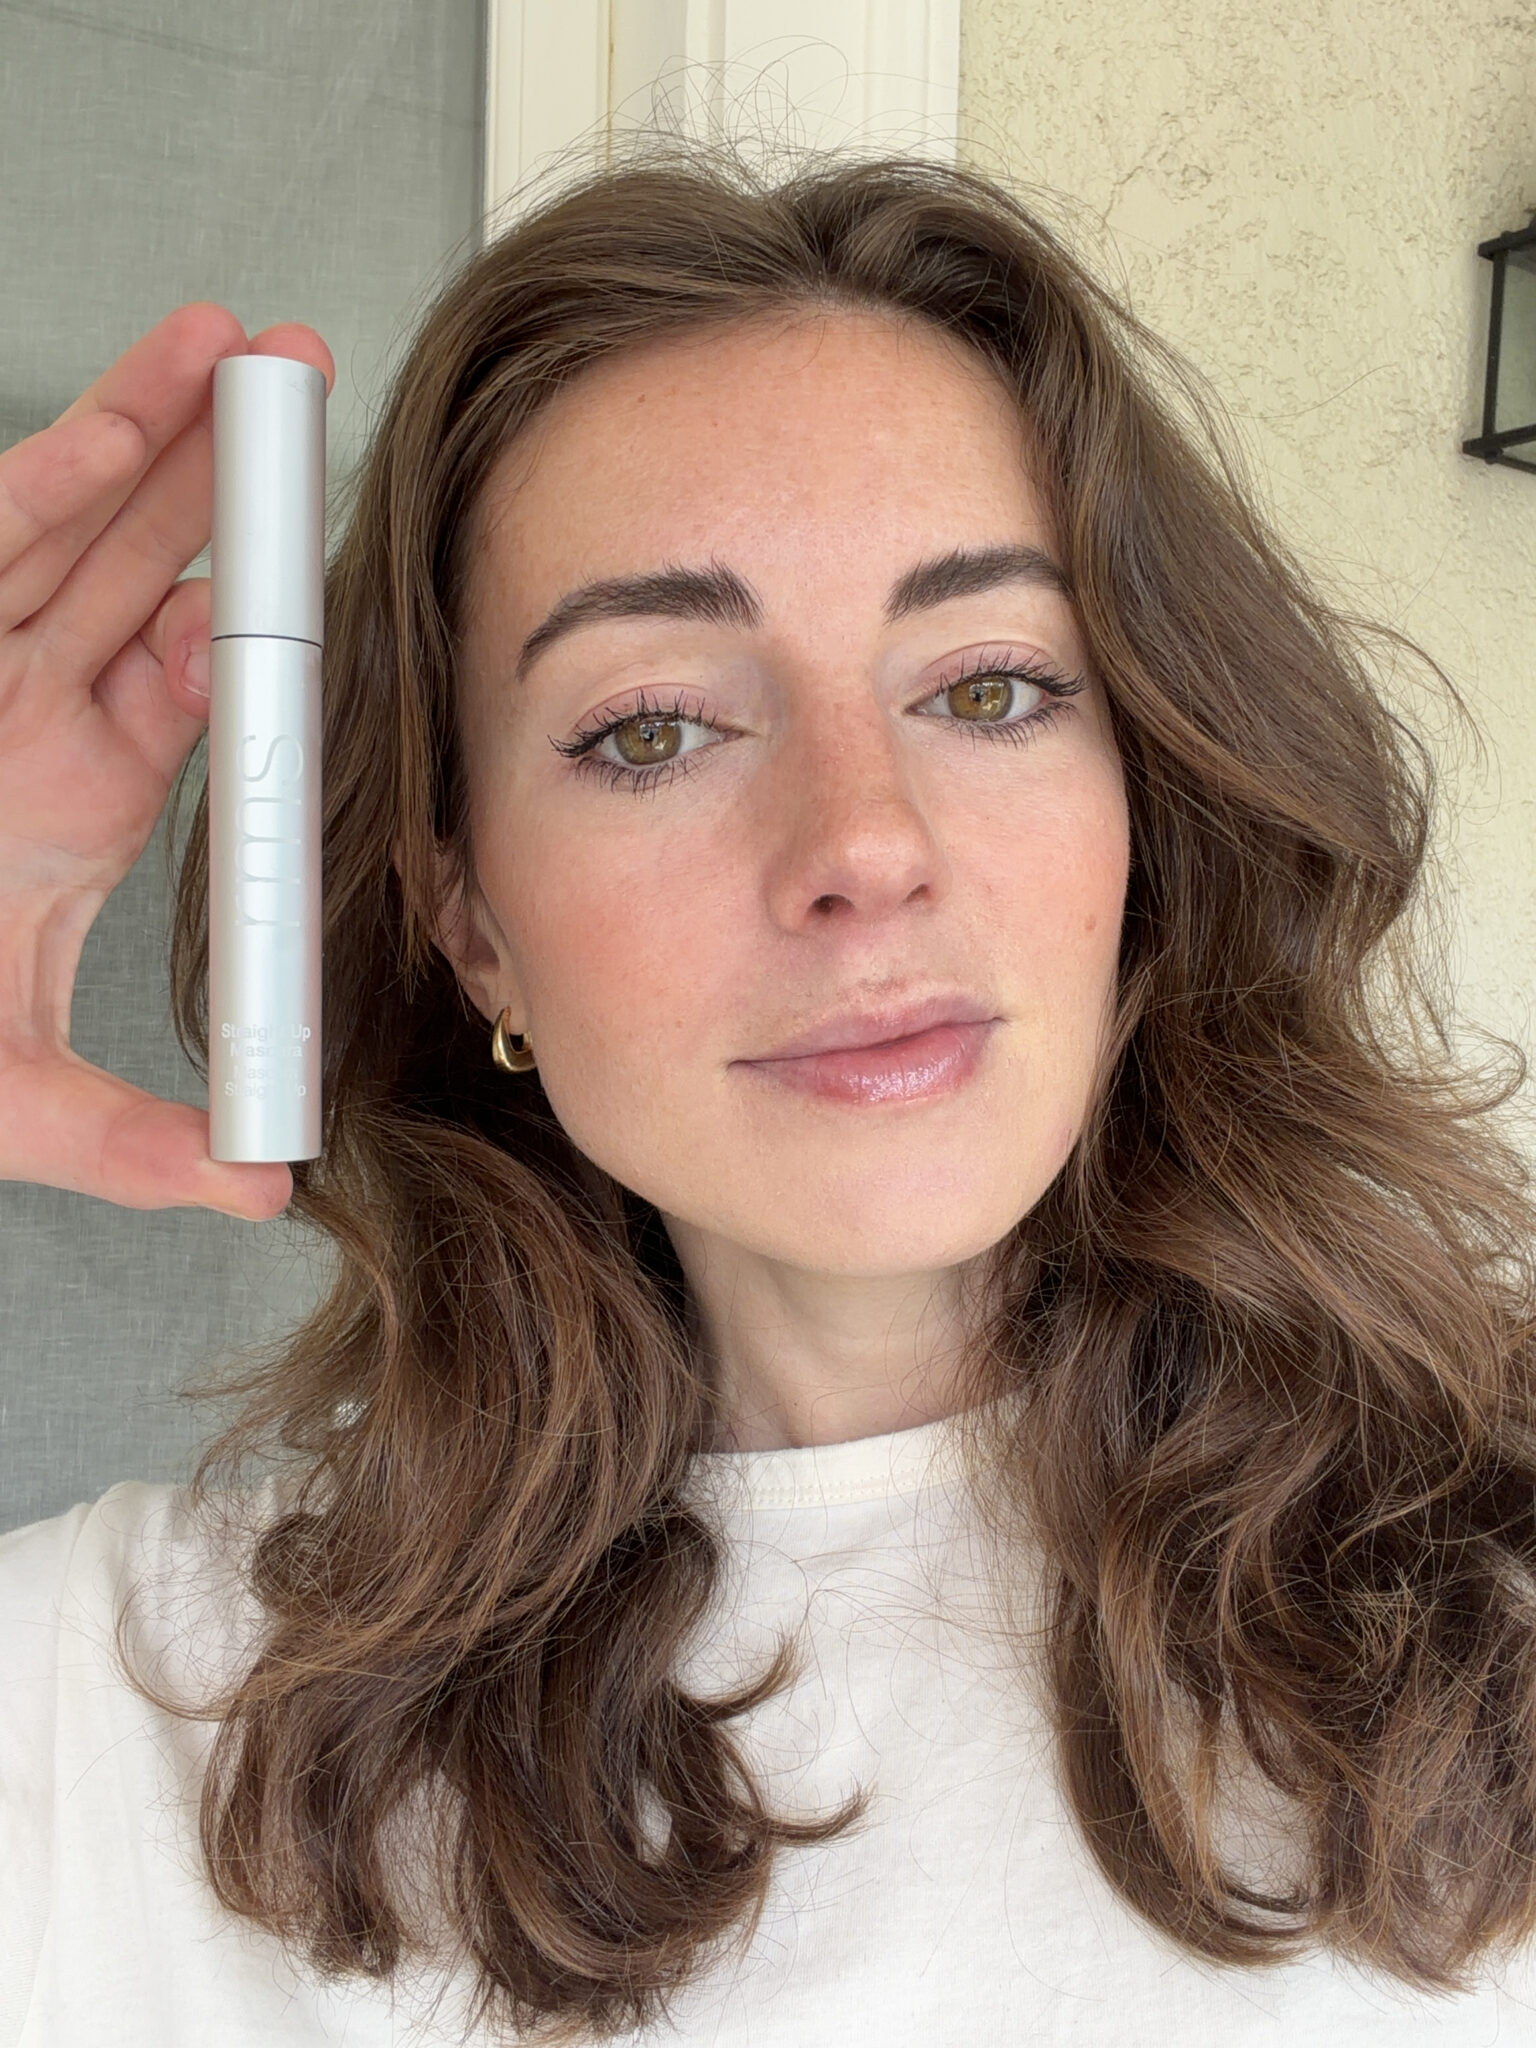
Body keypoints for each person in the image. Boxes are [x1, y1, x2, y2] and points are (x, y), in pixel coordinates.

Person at [2, 142, 1536, 2048]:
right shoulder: (111, 1716)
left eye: (987, 687)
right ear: (472, 919)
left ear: (1146, 804)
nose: (865, 845)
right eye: (653, 726)